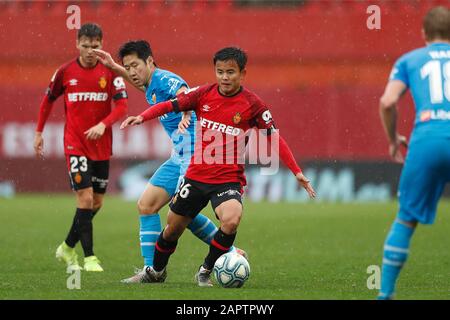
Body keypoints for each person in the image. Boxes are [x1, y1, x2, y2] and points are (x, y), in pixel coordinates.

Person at [120, 46, 316, 286]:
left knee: (231, 219)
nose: (225, 77)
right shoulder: (203, 94)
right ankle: (156, 271)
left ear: (242, 74)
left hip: (227, 178)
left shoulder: (253, 104)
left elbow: (274, 138)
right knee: (173, 228)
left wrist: (296, 171)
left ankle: (205, 269)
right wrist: (143, 117)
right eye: (220, 71)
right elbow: (170, 105)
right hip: (197, 175)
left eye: (230, 72)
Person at [93, 41, 246, 283]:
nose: (132, 71)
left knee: (184, 212)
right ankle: (152, 270)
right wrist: (113, 67)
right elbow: (137, 81)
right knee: (147, 205)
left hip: (196, 154)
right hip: (179, 156)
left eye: (135, 65)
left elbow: (184, 92)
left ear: (150, 62)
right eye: (128, 67)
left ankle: (229, 250)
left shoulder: (164, 79)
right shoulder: (150, 84)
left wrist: (186, 112)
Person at [34, 23, 128, 272]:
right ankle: (89, 258)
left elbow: (121, 107)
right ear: (77, 44)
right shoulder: (65, 71)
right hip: (75, 144)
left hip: (101, 146)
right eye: (85, 46)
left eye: (95, 46)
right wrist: (38, 132)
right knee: (84, 197)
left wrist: (103, 124)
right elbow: (47, 100)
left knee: (96, 202)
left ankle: (66, 247)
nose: (89, 51)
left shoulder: (110, 72)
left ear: (101, 45)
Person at [377, 6, 450, 299]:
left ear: (423, 33)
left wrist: (394, 139)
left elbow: (387, 102)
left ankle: (385, 294)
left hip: (427, 139)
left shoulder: (410, 59)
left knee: (406, 219)